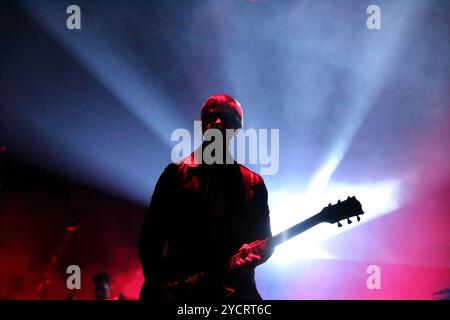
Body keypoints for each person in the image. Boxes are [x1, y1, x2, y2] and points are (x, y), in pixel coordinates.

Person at [139, 94, 273, 300]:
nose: (218, 122)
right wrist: (159, 286)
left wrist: (254, 256)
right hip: (181, 289)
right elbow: (151, 237)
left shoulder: (254, 183)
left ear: (236, 128)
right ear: (202, 123)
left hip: (233, 289)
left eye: (226, 118)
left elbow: (265, 240)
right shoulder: (175, 175)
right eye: (212, 116)